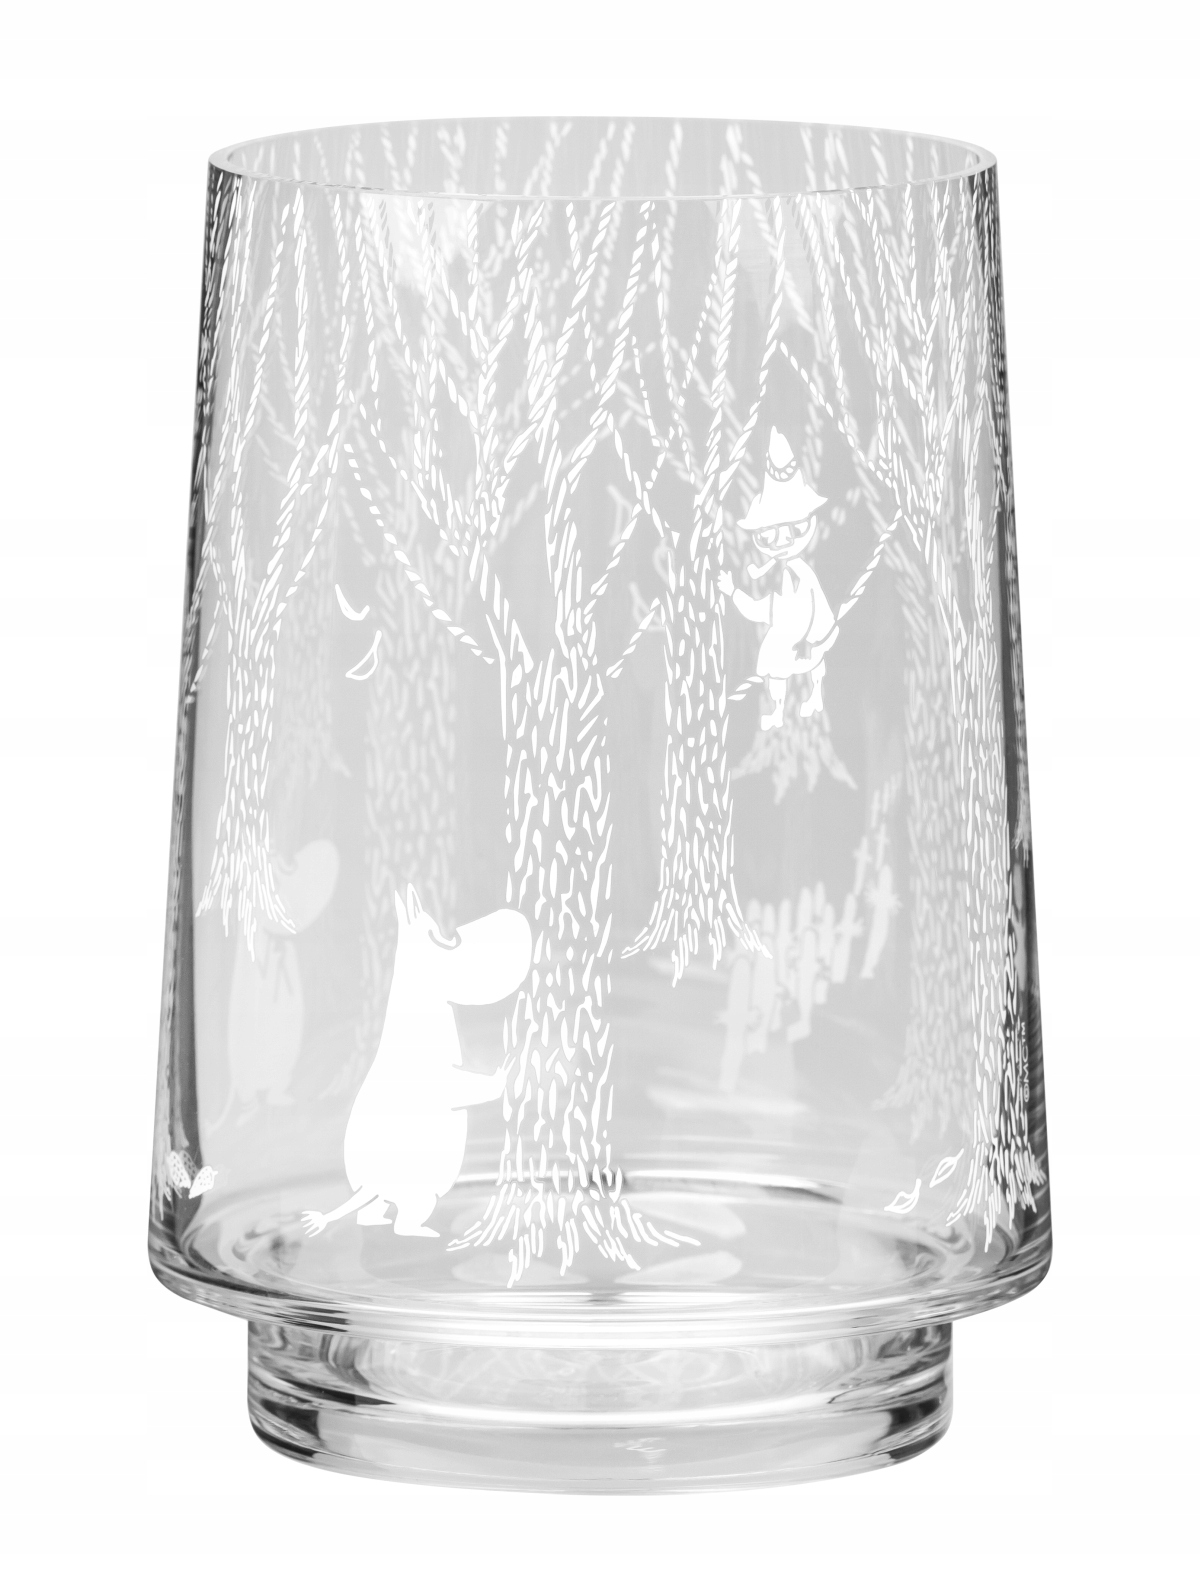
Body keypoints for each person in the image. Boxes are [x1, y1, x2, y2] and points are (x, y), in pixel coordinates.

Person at [718, 428, 837, 731]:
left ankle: (814, 697)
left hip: (800, 635)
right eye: (769, 535)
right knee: (780, 670)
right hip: (792, 638)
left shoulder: (800, 577)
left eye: (794, 529)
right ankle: (788, 708)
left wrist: (732, 591)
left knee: (789, 664)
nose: (782, 541)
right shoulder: (785, 576)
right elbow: (759, 607)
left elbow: (809, 605)